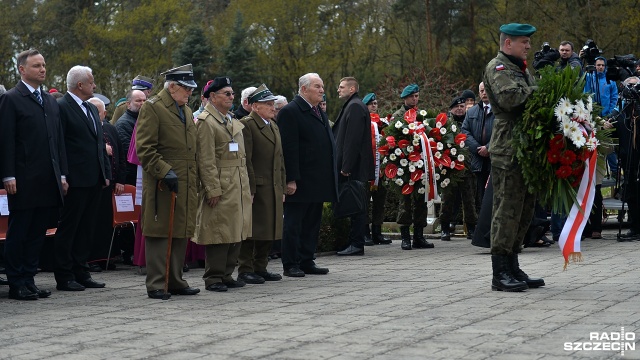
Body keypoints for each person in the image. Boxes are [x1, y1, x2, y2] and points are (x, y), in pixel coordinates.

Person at [0, 49, 68, 300]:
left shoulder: (49, 101)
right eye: (37, 65)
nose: (42, 69)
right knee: (20, 231)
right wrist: (8, 175)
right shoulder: (11, 99)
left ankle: (29, 278)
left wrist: (62, 174)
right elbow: (6, 140)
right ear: (22, 69)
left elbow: (57, 141)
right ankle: (16, 281)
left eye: (44, 65)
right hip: (23, 179)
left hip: (48, 178)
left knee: (39, 232)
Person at [483, 23, 545, 292]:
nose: (529, 46)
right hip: (507, 146)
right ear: (508, 43)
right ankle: (500, 273)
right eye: (524, 42)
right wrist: (543, 91)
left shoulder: (520, 68)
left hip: (525, 145)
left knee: (524, 209)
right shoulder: (498, 67)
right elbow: (511, 99)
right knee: (506, 209)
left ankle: (513, 265)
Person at [136, 64, 200, 299]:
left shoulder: (184, 109)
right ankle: (156, 283)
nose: (190, 93)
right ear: (172, 86)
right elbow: (145, 148)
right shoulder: (153, 108)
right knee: (160, 232)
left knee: (180, 230)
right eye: (186, 88)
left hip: (184, 180)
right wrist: (164, 171)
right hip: (163, 182)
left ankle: (174, 280)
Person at [192, 76, 252, 292]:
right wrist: (212, 189)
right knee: (218, 231)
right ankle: (214, 277)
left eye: (232, 93)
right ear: (212, 97)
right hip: (221, 183)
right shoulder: (206, 122)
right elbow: (205, 160)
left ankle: (227, 274)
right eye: (227, 93)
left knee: (235, 230)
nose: (231, 97)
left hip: (237, 182)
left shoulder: (229, 119)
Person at [55, 65, 110, 291]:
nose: (94, 86)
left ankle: (81, 271)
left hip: (94, 179)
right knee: (70, 228)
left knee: (87, 228)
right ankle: (65, 275)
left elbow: (99, 144)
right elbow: (59, 146)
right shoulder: (61, 107)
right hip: (75, 180)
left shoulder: (89, 108)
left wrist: (105, 172)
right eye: (91, 82)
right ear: (80, 85)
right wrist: (63, 176)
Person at [278, 72, 338, 277]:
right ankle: (290, 263)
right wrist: (290, 178)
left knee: (312, 223)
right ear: (304, 89)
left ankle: (306, 259)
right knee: (294, 224)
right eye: (317, 86)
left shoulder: (318, 111)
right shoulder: (290, 111)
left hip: (318, 179)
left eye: (322, 86)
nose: (322, 90)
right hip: (300, 180)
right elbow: (289, 148)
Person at [237, 84, 285, 283]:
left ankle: (261, 266)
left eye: (273, 104)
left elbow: (280, 159)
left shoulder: (272, 125)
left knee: (269, 228)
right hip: (258, 185)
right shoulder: (247, 124)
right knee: (252, 230)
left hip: (273, 185)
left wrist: (282, 186)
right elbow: (245, 159)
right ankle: (245, 268)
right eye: (268, 104)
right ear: (255, 106)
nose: (273, 107)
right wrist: (250, 187)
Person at [333, 77, 374, 256]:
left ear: (352, 89)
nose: (338, 90)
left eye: (341, 87)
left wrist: (346, 166)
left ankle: (356, 243)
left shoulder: (355, 106)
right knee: (357, 204)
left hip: (353, 167)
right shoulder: (353, 104)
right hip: (353, 165)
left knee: (357, 206)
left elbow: (352, 140)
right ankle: (355, 242)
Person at [393, 84, 435, 250]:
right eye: (412, 96)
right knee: (405, 201)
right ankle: (405, 237)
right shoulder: (398, 116)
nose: (415, 99)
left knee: (421, 200)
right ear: (405, 97)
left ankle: (419, 236)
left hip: (421, 163)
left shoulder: (422, 115)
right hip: (404, 163)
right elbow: (392, 138)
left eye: (417, 96)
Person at [87, 97, 126, 269]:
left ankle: (108, 257)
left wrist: (121, 181)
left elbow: (121, 155)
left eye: (99, 111)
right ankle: (93, 260)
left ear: (105, 113)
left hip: (112, 185)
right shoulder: (87, 128)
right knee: (93, 223)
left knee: (107, 224)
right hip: (94, 184)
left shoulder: (110, 128)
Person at [438, 97, 477, 241]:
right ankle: (445, 227)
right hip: (450, 168)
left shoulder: (470, 121)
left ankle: (471, 228)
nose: (460, 109)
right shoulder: (446, 123)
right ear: (451, 109)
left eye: (462, 106)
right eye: (457, 107)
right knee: (447, 199)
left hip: (467, 167)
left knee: (469, 199)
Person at [362, 92, 392, 246]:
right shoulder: (362, 122)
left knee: (380, 200)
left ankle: (377, 231)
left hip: (382, 169)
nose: (374, 106)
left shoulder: (383, 124)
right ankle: (365, 232)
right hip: (367, 169)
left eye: (375, 103)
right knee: (365, 201)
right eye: (371, 104)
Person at [462, 82, 494, 215]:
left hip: (494, 158)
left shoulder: (500, 111)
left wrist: (488, 148)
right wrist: (477, 148)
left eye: (486, 90)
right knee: (479, 195)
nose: (484, 93)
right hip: (478, 159)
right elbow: (464, 131)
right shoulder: (471, 112)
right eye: (481, 91)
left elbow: (503, 131)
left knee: (493, 194)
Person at [115, 90, 146, 186]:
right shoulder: (123, 124)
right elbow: (128, 152)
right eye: (138, 101)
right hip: (131, 177)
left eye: (145, 101)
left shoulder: (144, 120)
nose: (143, 104)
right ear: (128, 104)